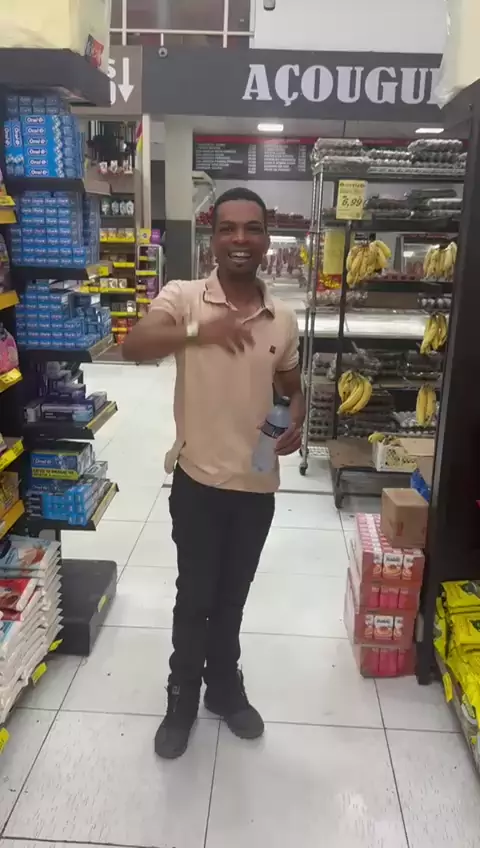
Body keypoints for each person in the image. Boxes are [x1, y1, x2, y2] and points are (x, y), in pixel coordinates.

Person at [122, 187, 305, 759]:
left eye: (252, 228)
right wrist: (202, 332)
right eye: (229, 228)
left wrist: (296, 421)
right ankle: (181, 695)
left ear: (267, 237)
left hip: (256, 486)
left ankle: (224, 686)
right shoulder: (184, 297)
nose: (240, 239)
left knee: (232, 597)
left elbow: (291, 387)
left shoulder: (283, 319)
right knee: (195, 596)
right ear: (213, 238)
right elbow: (134, 346)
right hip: (198, 482)